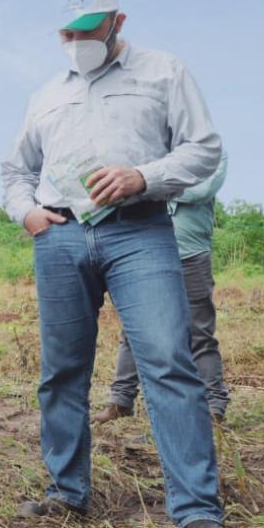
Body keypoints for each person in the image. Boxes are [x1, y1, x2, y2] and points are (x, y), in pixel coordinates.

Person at [0, 0, 242, 528]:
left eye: (89, 28)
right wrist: (27, 213)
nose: (78, 41)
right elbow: (15, 169)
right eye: (69, 32)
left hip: (140, 231)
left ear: (116, 22)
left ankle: (197, 513)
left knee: (168, 363)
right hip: (59, 236)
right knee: (62, 369)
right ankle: (66, 491)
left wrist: (142, 176)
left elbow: (204, 149)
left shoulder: (163, 72)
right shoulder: (45, 95)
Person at [94, 150, 230, 425]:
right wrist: (151, 183)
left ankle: (213, 404)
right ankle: (121, 401)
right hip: (146, 252)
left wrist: (147, 185)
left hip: (189, 253)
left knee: (199, 330)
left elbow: (200, 190)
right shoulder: (151, 149)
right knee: (133, 331)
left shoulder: (210, 154)